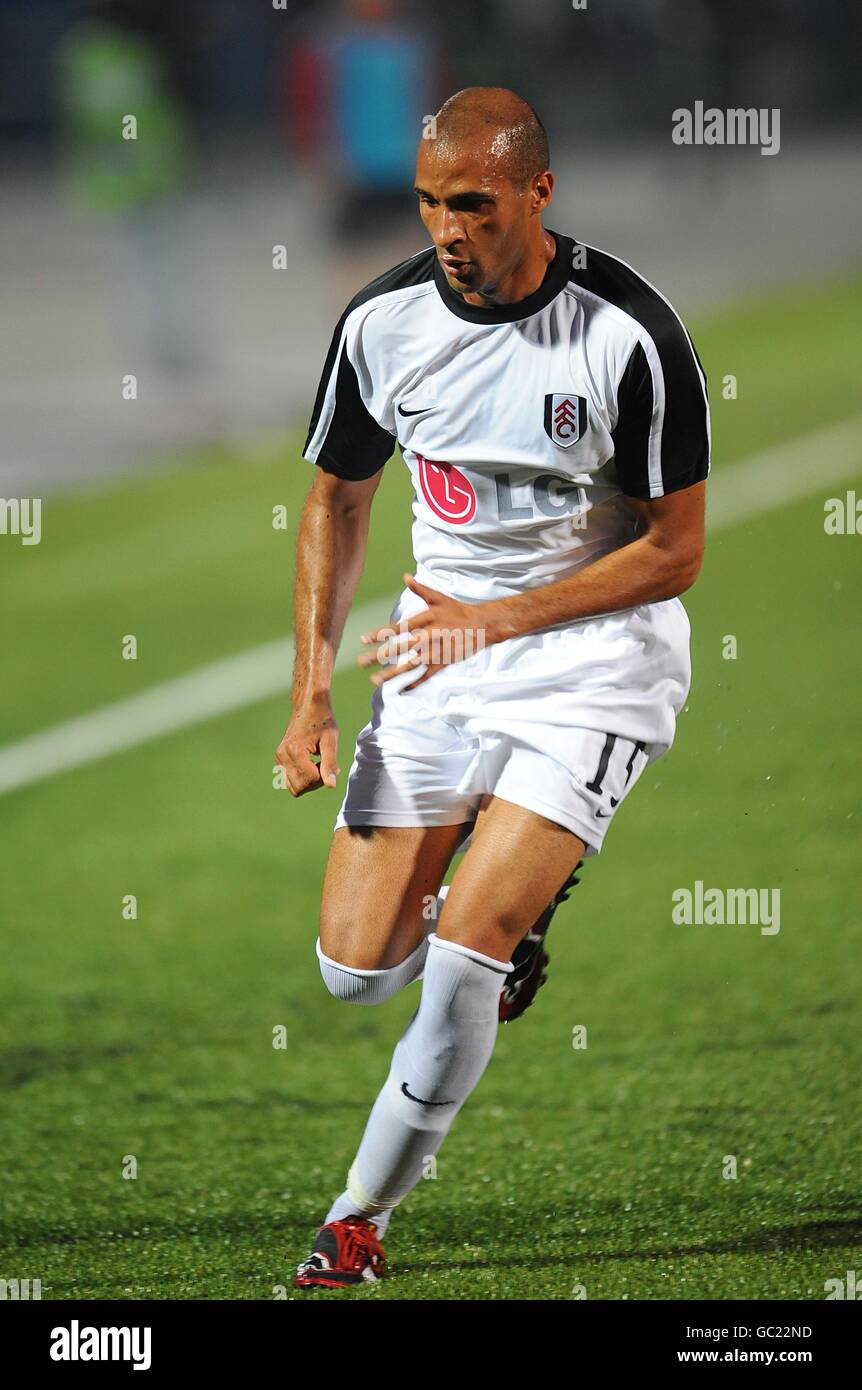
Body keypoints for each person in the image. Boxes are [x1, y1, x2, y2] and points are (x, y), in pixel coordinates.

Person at [276, 86, 709, 1289]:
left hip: (596, 657)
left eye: (470, 203)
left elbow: (674, 550)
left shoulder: (629, 331)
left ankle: (357, 1221)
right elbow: (338, 497)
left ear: (536, 192)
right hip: (437, 653)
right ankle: (489, 846)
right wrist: (311, 694)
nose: (447, 227)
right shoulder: (383, 323)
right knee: (356, 968)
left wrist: (501, 621)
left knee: (466, 946)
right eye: (428, 203)